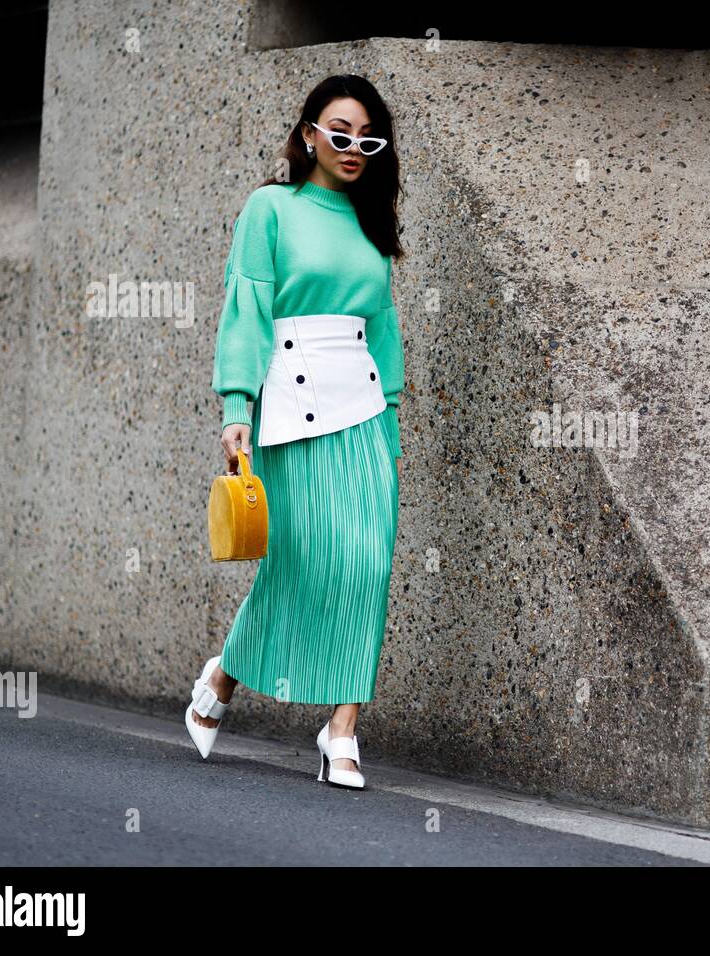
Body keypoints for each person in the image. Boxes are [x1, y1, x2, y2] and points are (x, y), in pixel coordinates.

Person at [185, 74, 406, 790]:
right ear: (309, 133)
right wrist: (235, 409)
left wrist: (394, 421)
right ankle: (224, 675)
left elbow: (385, 331)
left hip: (367, 415)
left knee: (368, 567)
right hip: (291, 407)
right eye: (338, 133)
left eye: (365, 139)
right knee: (300, 563)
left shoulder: (372, 223)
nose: (351, 148)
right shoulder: (270, 208)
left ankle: (343, 728)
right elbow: (246, 309)